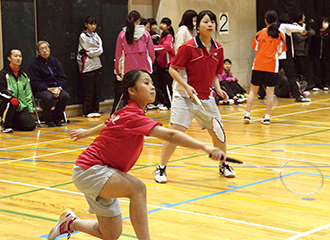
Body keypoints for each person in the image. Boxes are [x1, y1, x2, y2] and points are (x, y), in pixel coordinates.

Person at [47, 69, 226, 240]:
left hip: (103, 171)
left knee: (110, 234)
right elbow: (170, 135)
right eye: (146, 83)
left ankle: (71, 223)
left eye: (153, 83)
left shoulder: (126, 112)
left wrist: (86, 133)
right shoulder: (131, 114)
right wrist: (205, 146)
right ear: (131, 91)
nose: (153, 87)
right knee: (138, 189)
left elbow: (108, 124)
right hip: (91, 170)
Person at [154, 10, 236, 184]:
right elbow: (172, 69)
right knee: (176, 133)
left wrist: (218, 89)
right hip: (184, 97)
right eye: (206, 21)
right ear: (197, 26)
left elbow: (215, 74)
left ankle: (223, 164)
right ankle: (161, 167)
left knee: (218, 133)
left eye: (212, 22)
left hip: (206, 98)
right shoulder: (188, 47)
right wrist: (186, 86)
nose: (210, 24)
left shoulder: (218, 49)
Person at [243, 10, 286, 125]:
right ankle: (267, 117)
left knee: (253, 91)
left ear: (265, 20)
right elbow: (281, 52)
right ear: (276, 21)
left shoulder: (259, 34)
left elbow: (256, 49)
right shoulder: (280, 35)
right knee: (270, 92)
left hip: (258, 66)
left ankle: (247, 115)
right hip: (272, 67)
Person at [112, 10, 155, 114]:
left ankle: (114, 117)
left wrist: (118, 70)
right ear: (139, 20)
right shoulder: (146, 34)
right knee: (141, 98)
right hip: (144, 70)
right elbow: (151, 53)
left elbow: (118, 55)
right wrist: (150, 65)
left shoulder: (122, 35)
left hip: (128, 71)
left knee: (123, 96)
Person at [29, 41, 70, 127]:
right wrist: (48, 89)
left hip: (56, 87)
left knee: (65, 96)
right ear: (38, 52)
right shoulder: (34, 64)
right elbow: (35, 82)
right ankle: (48, 119)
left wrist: (59, 88)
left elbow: (62, 77)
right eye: (42, 49)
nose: (45, 51)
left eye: (46, 48)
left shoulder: (55, 61)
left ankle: (57, 118)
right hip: (42, 89)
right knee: (48, 97)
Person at [0, 48, 35, 133]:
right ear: (9, 58)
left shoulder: (24, 76)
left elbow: (28, 95)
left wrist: (30, 111)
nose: (18, 58)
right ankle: (6, 126)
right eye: (15, 56)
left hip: (20, 107)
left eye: (20, 56)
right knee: (14, 102)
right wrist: (11, 98)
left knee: (30, 126)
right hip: (6, 105)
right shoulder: (3, 74)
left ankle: (12, 122)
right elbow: (1, 91)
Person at [77, 16, 103, 118]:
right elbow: (88, 51)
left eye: (94, 24)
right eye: (90, 24)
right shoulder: (83, 36)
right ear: (86, 25)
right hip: (87, 67)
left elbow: (100, 49)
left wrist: (95, 51)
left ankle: (95, 109)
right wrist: (94, 52)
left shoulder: (96, 36)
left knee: (97, 90)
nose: (93, 26)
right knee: (89, 91)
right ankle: (87, 111)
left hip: (97, 65)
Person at [154, 17, 175, 110]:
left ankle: (171, 104)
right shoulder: (161, 36)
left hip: (168, 64)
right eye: (161, 23)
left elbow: (164, 48)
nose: (161, 25)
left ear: (169, 26)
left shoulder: (169, 36)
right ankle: (166, 103)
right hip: (160, 65)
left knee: (167, 85)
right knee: (161, 85)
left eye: (164, 24)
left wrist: (151, 47)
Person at [292, 12, 315, 90]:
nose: (304, 17)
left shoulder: (305, 26)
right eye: (303, 16)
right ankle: (299, 87)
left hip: (305, 51)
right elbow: (298, 38)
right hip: (297, 52)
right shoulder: (294, 26)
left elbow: (312, 32)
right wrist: (307, 35)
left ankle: (307, 85)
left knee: (306, 69)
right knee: (299, 70)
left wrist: (306, 33)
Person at [310, 17, 330, 91]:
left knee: (325, 69)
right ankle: (318, 84)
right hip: (316, 55)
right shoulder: (316, 33)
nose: (326, 23)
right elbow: (312, 45)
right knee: (317, 70)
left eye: (327, 22)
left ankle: (325, 84)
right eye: (324, 21)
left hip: (326, 55)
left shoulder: (328, 34)